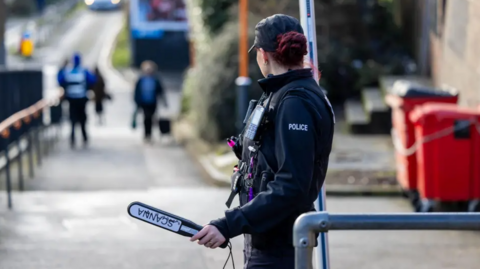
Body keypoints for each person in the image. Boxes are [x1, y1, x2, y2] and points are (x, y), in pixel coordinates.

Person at [190, 14, 335, 269]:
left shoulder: (294, 102)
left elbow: (292, 185)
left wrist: (228, 224)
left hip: (279, 250)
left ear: (263, 55)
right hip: (267, 242)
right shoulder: (283, 94)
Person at [57, 53, 96, 148]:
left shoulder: (67, 71)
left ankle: (72, 138)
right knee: (82, 119)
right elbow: (93, 80)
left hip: (71, 100)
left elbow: (59, 80)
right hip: (82, 99)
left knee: (73, 119)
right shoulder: (84, 71)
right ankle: (84, 138)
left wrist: (62, 68)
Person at [134, 60, 167, 142]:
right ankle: (147, 134)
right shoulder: (141, 80)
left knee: (151, 118)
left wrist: (164, 101)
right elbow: (136, 91)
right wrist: (137, 101)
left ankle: (149, 134)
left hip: (153, 102)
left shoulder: (155, 80)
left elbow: (160, 91)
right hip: (144, 102)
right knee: (146, 117)